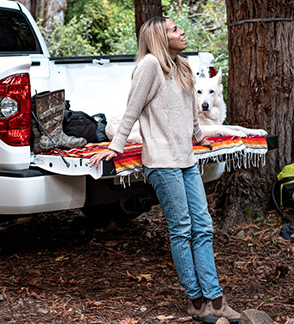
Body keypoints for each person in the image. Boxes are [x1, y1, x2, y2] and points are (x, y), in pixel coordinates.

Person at [88, 17, 241, 323]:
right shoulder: (149, 66)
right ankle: (197, 303)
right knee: (182, 230)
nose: (181, 31)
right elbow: (132, 108)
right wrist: (115, 145)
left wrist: (199, 138)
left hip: (186, 160)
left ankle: (217, 300)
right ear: (159, 37)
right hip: (161, 163)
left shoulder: (182, 66)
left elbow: (189, 110)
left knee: (204, 227)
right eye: (174, 29)